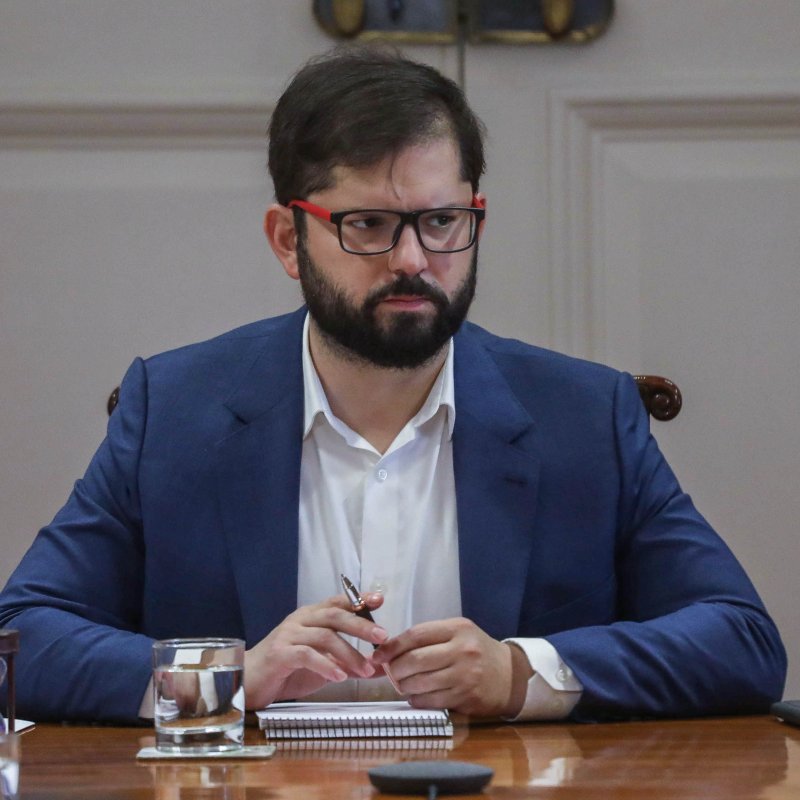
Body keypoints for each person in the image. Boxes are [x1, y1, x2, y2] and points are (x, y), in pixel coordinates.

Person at [0, 46, 786, 724]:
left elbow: (741, 641)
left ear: (476, 218)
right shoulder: (174, 410)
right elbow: (21, 633)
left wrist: (521, 674)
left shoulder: (583, 416)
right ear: (288, 239)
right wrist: (228, 677)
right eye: (368, 225)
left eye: (441, 222)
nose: (412, 260)